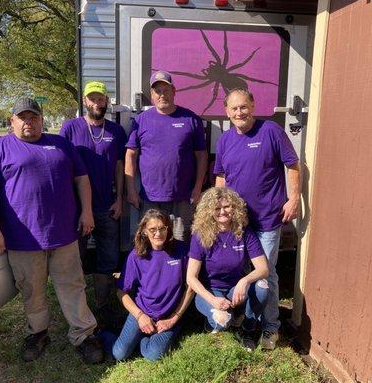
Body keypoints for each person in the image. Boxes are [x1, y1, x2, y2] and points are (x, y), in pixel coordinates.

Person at [0, 97, 103, 364]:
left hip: (65, 235)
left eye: (33, 117)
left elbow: (82, 179)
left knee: (73, 286)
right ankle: (38, 333)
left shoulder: (61, 144)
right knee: (32, 290)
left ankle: (84, 335)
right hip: (23, 239)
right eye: (22, 117)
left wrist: (87, 211)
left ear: (41, 119)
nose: (28, 122)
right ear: (12, 121)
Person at [214, 88, 300, 350]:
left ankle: (271, 326)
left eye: (244, 107)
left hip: (266, 220)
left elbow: (293, 164)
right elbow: (221, 177)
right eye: (234, 108)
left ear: (253, 105)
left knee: (267, 273)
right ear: (226, 111)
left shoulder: (271, 131)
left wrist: (293, 198)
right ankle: (247, 317)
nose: (239, 112)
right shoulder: (225, 140)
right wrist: (220, 210)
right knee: (241, 271)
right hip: (237, 222)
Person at [60, 81, 127, 321]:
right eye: (93, 98)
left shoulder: (116, 131)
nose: (97, 103)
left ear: (107, 101)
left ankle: (101, 305)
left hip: (107, 206)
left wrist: (120, 199)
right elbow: (62, 167)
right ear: (85, 101)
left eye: (101, 98)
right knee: (75, 258)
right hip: (77, 210)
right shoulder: (70, 128)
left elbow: (120, 167)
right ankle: (78, 309)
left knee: (108, 257)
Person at [125, 70, 208, 243]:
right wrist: (131, 190)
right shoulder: (141, 120)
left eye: (166, 90)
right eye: (157, 91)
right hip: (149, 198)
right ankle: (152, 271)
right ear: (152, 94)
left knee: (180, 242)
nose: (162, 95)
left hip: (183, 197)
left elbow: (201, 156)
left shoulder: (191, 119)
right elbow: (131, 154)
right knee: (150, 242)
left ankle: (179, 271)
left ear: (174, 91)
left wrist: (198, 187)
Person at [100, 209, 193, 361]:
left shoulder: (181, 250)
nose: (158, 234)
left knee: (153, 355)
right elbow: (121, 292)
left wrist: (173, 318)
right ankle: (103, 333)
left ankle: (141, 339)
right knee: (119, 354)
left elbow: (190, 288)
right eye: (153, 229)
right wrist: (140, 316)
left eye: (162, 228)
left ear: (168, 228)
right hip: (142, 312)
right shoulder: (136, 255)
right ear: (144, 231)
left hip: (169, 316)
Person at [186, 187, 269, 350]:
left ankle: (246, 330)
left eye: (227, 207)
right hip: (211, 291)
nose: (222, 212)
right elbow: (191, 278)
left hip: (235, 289)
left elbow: (263, 269)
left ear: (235, 208)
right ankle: (214, 323)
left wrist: (244, 281)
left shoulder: (244, 231)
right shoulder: (200, 234)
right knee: (222, 320)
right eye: (217, 208)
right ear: (209, 211)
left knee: (263, 287)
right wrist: (213, 300)